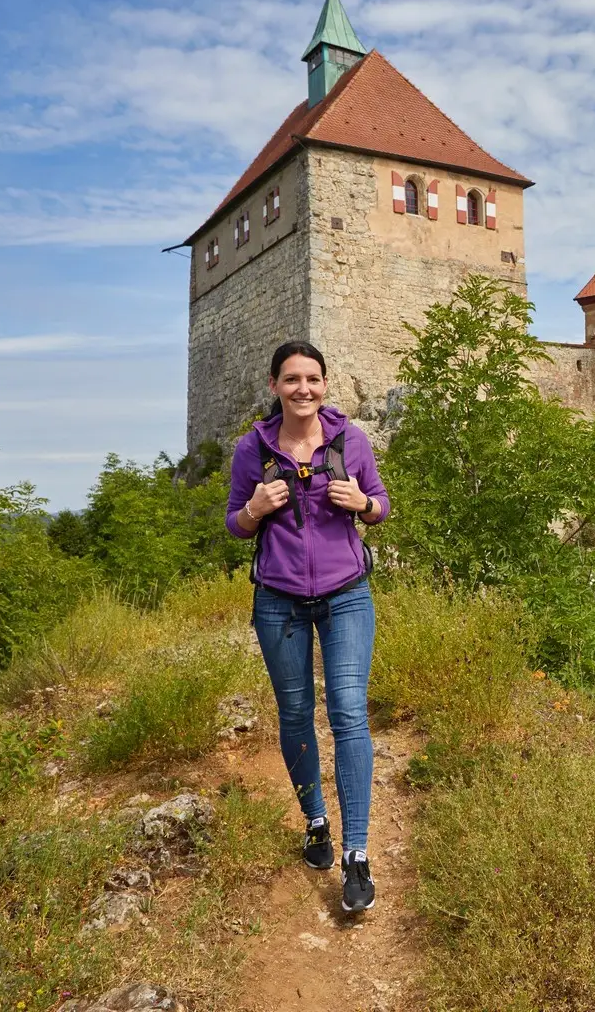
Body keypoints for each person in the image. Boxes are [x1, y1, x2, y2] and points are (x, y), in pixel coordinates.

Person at [226, 340, 388, 914]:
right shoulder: (253, 448)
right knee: (295, 714)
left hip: (347, 595)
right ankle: (316, 819)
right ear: (274, 385)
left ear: (324, 384)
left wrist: (363, 503)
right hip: (279, 601)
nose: (303, 389)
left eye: (312, 379)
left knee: (349, 712)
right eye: (292, 379)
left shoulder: (351, 441)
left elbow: (381, 505)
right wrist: (255, 510)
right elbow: (235, 524)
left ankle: (356, 854)